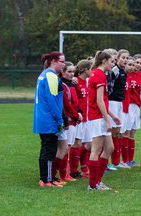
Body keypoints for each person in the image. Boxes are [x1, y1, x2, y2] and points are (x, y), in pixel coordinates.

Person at [87, 50, 120, 190]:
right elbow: (99, 101)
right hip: (97, 117)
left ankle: (97, 182)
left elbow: (103, 101)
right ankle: (93, 185)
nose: (113, 64)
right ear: (104, 61)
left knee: (109, 148)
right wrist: (107, 120)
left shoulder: (98, 74)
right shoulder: (99, 75)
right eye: (111, 61)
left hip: (101, 116)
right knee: (96, 150)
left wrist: (112, 116)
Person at [33, 51, 66, 188]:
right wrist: (59, 119)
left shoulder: (43, 75)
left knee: (47, 148)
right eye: (62, 62)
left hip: (42, 117)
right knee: (49, 149)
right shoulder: (51, 76)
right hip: (49, 119)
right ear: (53, 61)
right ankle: (46, 180)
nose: (63, 65)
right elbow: (52, 101)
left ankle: (46, 178)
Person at [107, 49, 130, 169]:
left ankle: (116, 161)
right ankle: (108, 162)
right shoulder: (115, 70)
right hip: (112, 103)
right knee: (111, 132)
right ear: (118, 58)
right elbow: (108, 85)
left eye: (127, 58)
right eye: (123, 58)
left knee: (118, 133)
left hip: (119, 103)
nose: (125, 60)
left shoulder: (123, 71)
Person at [72, 59, 93, 179]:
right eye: (90, 68)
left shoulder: (88, 81)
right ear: (85, 69)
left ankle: (84, 167)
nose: (92, 71)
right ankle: (74, 170)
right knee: (77, 144)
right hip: (79, 117)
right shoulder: (76, 82)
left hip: (87, 117)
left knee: (89, 144)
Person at [125, 54, 141, 167]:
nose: (138, 65)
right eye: (137, 62)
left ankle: (130, 160)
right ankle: (124, 161)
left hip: (136, 107)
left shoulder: (140, 75)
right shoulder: (126, 74)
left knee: (133, 133)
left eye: (140, 63)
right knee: (126, 133)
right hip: (127, 106)